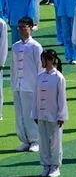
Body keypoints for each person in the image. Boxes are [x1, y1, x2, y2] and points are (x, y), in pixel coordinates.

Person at [32, 49, 67, 177]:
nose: (42, 62)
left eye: (44, 60)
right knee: (43, 141)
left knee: (55, 142)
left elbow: (62, 98)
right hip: (41, 115)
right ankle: (45, 165)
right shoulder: (39, 77)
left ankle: (55, 166)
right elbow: (36, 97)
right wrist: (35, 114)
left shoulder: (58, 77)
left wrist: (61, 115)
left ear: (51, 60)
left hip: (54, 115)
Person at [12, 17, 43, 152]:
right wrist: (14, 84)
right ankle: (24, 140)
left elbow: (40, 67)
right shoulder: (16, 46)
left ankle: (35, 140)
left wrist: (39, 86)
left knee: (31, 114)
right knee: (19, 115)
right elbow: (13, 67)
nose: (21, 30)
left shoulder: (36, 46)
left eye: (24, 27)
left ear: (30, 27)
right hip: (18, 85)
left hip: (31, 85)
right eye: (19, 27)